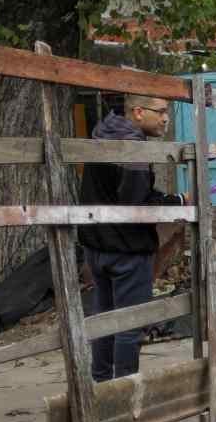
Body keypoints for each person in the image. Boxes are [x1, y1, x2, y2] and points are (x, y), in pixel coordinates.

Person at [79, 95, 186, 382]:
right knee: (130, 324)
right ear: (138, 112)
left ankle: (100, 383)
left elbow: (116, 192)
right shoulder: (133, 148)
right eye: (161, 112)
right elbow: (138, 205)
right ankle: (125, 391)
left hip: (96, 245)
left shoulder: (104, 133)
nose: (166, 118)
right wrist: (179, 201)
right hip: (126, 248)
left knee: (104, 319)